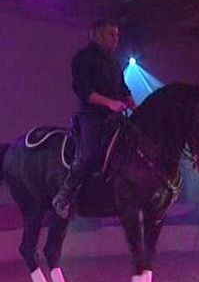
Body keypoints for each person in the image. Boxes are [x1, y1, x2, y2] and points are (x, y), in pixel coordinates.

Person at [52, 19, 137, 219]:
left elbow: (123, 88)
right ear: (98, 35)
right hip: (91, 117)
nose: (116, 39)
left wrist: (135, 104)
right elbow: (83, 89)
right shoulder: (83, 58)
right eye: (111, 34)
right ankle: (63, 197)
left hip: (115, 117)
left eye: (117, 35)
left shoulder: (115, 62)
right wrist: (109, 103)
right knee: (89, 154)